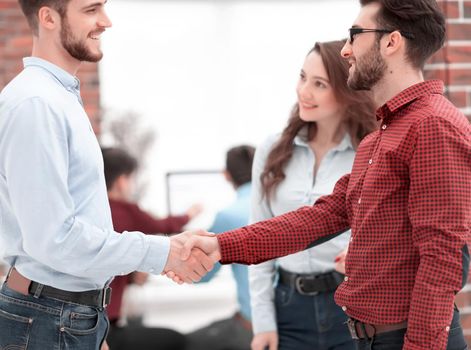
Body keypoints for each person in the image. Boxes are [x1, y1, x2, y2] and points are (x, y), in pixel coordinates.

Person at [172, 0, 471, 349]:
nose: (346, 50)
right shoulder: (382, 135)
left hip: (404, 339)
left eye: (355, 35)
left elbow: (444, 256)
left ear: (392, 42)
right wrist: (221, 244)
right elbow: (321, 217)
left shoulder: (431, 125)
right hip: (369, 337)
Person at [0, 1, 213, 349]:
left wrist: (90, 319)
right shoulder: (36, 104)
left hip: (66, 316)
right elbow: (54, 238)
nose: (106, 21)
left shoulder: (57, 97)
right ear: (48, 17)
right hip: (49, 317)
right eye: (91, 10)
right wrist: (164, 253)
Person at [249, 40, 377, 350]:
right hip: (288, 309)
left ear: (347, 91)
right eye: (303, 77)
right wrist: (263, 322)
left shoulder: (369, 151)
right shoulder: (273, 150)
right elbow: (258, 237)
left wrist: (365, 258)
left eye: (319, 84)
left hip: (353, 306)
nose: (303, 91)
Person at [102, 147, 202, 350]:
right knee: (177, 340)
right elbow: (162, 226)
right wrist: (190, 214)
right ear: (122, 181)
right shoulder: (127, 211)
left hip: (86, 320)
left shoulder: (93, 211)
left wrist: (130, 277)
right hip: (106, 327)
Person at [187, 145, 255, 350]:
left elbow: (201, 275)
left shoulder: (229, 216)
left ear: (226, 175)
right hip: (295, 322)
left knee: (183, 342)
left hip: (254, 327)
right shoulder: (287, 207)